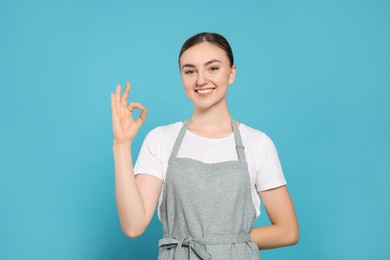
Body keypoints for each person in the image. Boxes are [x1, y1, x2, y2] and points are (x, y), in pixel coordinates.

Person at [111, 32, 299, 259]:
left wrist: (225, 242)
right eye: (190, 71)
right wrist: (121, 146)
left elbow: (288, 231)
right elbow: (134, 226)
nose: (201, 80)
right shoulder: (161, 139)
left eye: (213, 68)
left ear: (231, 73)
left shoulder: (257, 143)